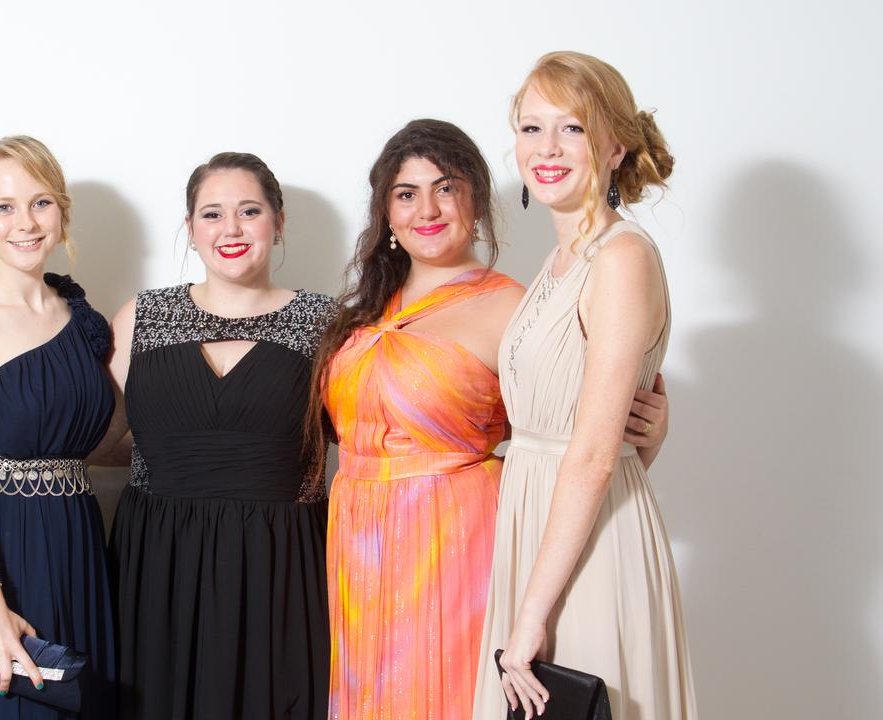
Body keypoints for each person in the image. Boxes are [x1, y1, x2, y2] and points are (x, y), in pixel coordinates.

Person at [312, 119, 671, 720]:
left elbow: (581, 441)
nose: (427, 208)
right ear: (386, 214)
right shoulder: (362, 311)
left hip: (460, 540)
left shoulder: (516, 308)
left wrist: (651, 435)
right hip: (358, 543)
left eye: (446, 188)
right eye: (406, 193)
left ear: (476, 200)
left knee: (451, 692)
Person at [473, 51, 696, 720]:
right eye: (530, 127)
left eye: (571, 128)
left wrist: (532, 614)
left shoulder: (622, 257)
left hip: (590, 546)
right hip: (546, 528)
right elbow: (599, 436)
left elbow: (598, 453)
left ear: (616, 143)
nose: (546, 148)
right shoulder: (558, 258)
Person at [106, 152, 337, 719]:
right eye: (212, 214)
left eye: (249, 211)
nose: (230, 229)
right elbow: (104, 441)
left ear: (278, 222)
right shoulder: (142, 317)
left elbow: (359, 445)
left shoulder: (328, 323)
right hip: (159, 561)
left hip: (281, 564)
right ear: (190, 229)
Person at [0, 136, 117, 718]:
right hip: (3, 551)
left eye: (40, 203)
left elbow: (104, 443)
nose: (25, 223)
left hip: (80, 543)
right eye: (4, 206)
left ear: (60, 210)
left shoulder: (82, 317)